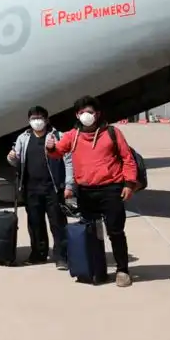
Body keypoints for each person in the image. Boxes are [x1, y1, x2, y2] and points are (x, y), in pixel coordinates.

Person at [46, 95, 137, 287]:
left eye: (90, 112)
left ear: (98, 114)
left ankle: (122, 270)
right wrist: (50, 147)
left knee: (115, 231)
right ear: (77, 115)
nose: (86, 115)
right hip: (86, 191)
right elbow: (57, 153)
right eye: (82, 112)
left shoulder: (112, 133)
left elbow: (127, 158)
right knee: (90, 232)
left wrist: (129, 184)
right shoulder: (73, 135)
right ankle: (96, 268)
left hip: (111, 190)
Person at [7, 106, 73, 268]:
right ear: (29, 121)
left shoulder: (58, 136)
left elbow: (69, 162)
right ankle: (38, 253)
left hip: (53, 188)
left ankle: (61, 256)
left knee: (58, 223)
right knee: (35, 223)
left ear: (47, 119)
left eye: (40, 117)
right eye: (33, 118)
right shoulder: (23, 138)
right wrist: (11, 157)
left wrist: (69, 185)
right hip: (31, 188)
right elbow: (16, 161)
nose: (37, 121)